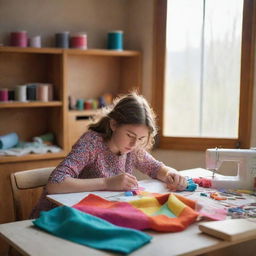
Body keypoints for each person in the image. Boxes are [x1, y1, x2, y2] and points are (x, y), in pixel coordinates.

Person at [31, 92, 187, 218]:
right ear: (114, 124)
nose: (134, 144)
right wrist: (106, 183)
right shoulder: (91, 143)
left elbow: (155, 168)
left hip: (90, 214)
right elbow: (54, 184)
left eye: (140, 139)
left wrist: (171, 174)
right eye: (130, 135)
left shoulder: (133, 147)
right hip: (57, 217)